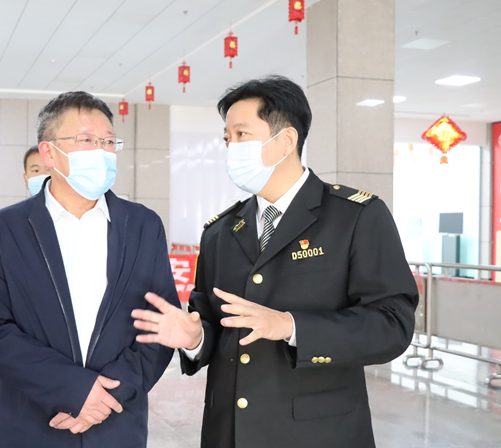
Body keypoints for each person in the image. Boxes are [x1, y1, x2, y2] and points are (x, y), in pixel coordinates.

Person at [131, 76, 419, 447]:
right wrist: (195, 338)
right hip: (230, 432)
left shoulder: (356, 217)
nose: (230, 147)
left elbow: (392, 325)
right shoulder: (220, 232)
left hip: (317, 434)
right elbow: (212, 321)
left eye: (241, 135)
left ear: (286, 141)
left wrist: (290, 325)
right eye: (227, 138)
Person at [0, 91, 179, 448]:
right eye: (86, 140)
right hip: (34, 424)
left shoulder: (143, 225)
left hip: (117, 425)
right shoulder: (3, 230)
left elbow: (160, 324)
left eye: (108, 141)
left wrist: (106, 397)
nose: (101, 151)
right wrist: (74, 390)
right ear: (49, 153)